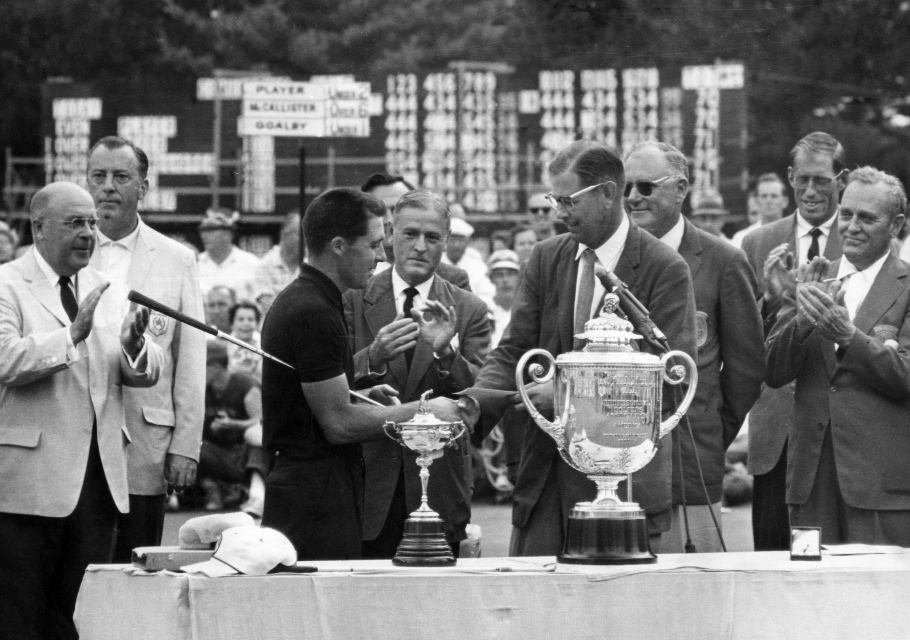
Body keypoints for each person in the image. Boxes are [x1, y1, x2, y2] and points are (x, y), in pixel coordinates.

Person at [442, 140, 697, 556]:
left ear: (608, 194)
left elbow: (669, 382)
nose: (558, 213)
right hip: (543, 480)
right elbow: (513, 351)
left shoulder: (664, 268)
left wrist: (564, 394)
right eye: (553, 199)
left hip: (624, 488)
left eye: (567, 200)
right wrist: (472, 404)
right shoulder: (545, 258)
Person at [259, 187, 461, 560]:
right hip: (313, 500)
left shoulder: (312, 300)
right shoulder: (313, 310)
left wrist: (360, 389)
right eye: (372, 245)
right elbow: (338, 423)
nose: (381, 255)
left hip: (317, 491)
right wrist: (423, 413)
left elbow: (316, 399)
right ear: (338, 246)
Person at [0, 182, 163, 640]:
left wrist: (134, 348)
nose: (90, 233)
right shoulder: (7, 283)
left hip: (98, 484)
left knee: (81, 620)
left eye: (92, 222)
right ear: (38, 227)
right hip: (27, 489)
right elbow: (6, 359)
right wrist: (71, 335)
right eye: (76, 223)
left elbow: (142, 370)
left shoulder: (106, 286)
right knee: (19, 616)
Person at [624, 141, 765, 552]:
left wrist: (707, 432)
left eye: (646, 187)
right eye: (627, 187)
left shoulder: (724, 260)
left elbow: (747, 369)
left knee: (693, 584)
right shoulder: (609, 256)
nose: (633, 197)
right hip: (614, 462)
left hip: (688, 464)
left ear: (681, 189)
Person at [766, 167, 910, 546]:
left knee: (883, 601)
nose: (851, 227)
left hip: (882, 487)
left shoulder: (907, 286)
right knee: (809, 599)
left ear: (895, 225)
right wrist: (801, 321)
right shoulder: (812, 280)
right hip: (811, 485)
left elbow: (906, 377)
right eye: (846, 215)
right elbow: (773, 372)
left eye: (867, 218)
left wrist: (848, 336)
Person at [344, 188, 491, 558]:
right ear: (391, 234)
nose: (420, 247)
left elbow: (481, 402)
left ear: (447, 242)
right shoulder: (352, 298)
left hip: (439, 490)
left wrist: (445, 353)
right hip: (366, 486)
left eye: (432, 237)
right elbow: (329, 384)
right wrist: (372, 357)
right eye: (410, 235)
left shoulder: (469, 308)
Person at [86, 135, 206, 561]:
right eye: (98, 176)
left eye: (121, 176)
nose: (107, 187)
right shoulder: (66, 252)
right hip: (78, 445)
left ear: (143, 186)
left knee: (137, 564)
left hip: (145, 443)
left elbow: (190, 360)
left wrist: (185, 445)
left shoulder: (177, 258)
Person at [741, 131, 847, 551]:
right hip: (774, 433)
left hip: (835, 428)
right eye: (801, 179)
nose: (810, 190)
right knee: (769, 558)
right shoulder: (756, 243)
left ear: (842, 178)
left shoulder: (864, 241)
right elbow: (745, 343)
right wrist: (770, 300)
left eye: (821, 180)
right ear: (789, 177)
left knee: (832, 562)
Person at [361, 172, 471, 290]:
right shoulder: (353, 275)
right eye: (380, 211)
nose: (389, 219)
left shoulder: (452, 278)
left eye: (397, 210)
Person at [199, 340, 269, 517]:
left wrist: (232, 424)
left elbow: (262, 421)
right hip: (219, 453)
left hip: (245, 454)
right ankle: (213, 489)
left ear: (215, 366)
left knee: (254, 438)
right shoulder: (202, 390)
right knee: (193, 446)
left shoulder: (244, 385)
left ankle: (256, 496)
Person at [196, 207, 260, 296]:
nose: (204, 235)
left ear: (229, 233)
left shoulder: (251, 263)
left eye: (211, 230)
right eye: (203, 230)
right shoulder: (195, 263)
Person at [247, 210, 301, 306]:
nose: (305, 239)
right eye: (300, 234)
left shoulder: (312, 263)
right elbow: (266, 305)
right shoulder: (265, 266)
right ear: (284, 234)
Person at [731, 174, 789, 248]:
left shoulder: (795, 234)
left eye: (774, 196)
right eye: (764, 196)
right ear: (757, 201)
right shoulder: (742, 238)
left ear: (785, 201)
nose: (769, 201)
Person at [443, 217, 495, 299]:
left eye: (460, 240)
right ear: (445, 240)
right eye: (452, 239)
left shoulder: (478, 267)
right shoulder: (436, 263)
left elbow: (486, 294)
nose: (456, 245)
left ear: (468, 242)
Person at [227, 301, 263, 382]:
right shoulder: (226, 345)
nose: (246, 323)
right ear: (232, 324)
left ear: (257, 324)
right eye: (240, 319)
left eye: (250, 319)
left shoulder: (263, 346)